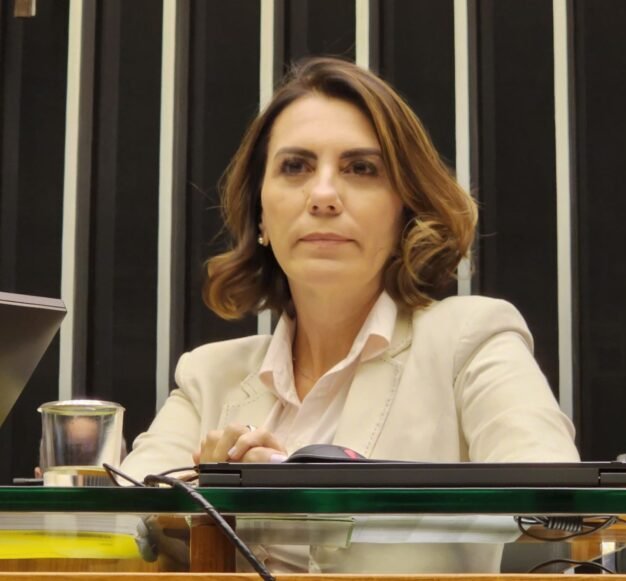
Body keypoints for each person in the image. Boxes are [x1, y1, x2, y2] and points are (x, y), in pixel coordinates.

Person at [120, 56, 579, 573]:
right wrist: (207, 491)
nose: (323, 196)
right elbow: (117, 524)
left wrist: (292, 488)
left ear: (406, 208)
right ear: (260, 215)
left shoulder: (470, 339)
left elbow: (558, 503)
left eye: (361, 169)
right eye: (295, 167)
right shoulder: (209, 375)